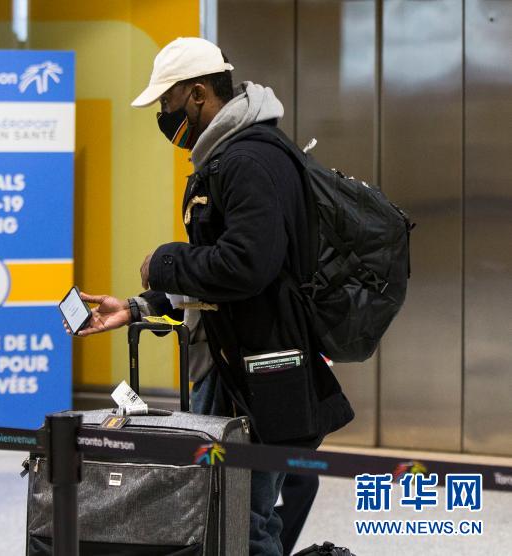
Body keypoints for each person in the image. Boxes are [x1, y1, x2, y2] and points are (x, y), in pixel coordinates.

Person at [73, 37, 354, 555]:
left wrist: (165, 261)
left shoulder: (249, 161)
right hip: (231, 369)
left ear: (199, 94)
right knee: (225, 515)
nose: (164, 115)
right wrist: (139, 305)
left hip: (262, 379)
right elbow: (218, 283)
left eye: (167, 102)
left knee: (243, 524)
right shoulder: (227, 157)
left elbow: (246, 265)